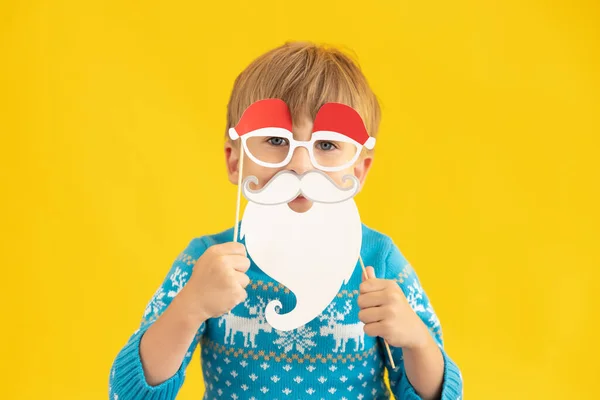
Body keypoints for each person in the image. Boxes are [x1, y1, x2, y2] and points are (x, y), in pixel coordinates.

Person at [109, 41, 463, 400]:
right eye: (276, 139)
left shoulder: (379, 260)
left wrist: (417, 340)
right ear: (235, 162)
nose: (300, 164)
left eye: (327, 145)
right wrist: (190, 306)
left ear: (358, 170)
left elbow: (436, 394)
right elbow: (132, 392)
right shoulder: (206, 263)